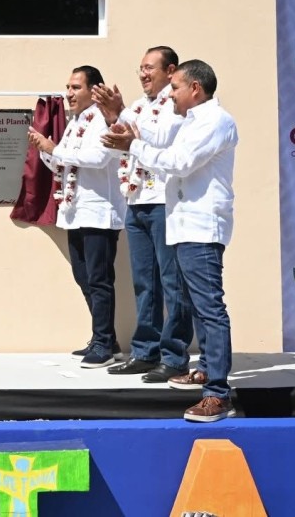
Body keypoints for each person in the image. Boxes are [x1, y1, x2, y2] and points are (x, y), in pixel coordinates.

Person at [101, 59, 238, 422]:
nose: (171, 94)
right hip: (184, 226)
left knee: (209, 308)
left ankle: (218, 394)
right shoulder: (192, 120)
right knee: (196, 304)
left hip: (201, 226)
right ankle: (206, 371)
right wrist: (127, 131)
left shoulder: (215, 120)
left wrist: (134, 145)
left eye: (175, 87)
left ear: (195, 88)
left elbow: (179, 162)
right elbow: (162, 147)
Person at [94, 47, 195, 383]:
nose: (142, 74)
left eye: (149, 68)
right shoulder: (139, 106)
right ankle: (145, 351)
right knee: (144, 282)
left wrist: (122, 114)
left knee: (172, 282)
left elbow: (162, 139)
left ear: (170, 70)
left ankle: (175, 357)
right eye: (140, 68)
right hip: (136, 200)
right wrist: (112, 121)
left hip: (165, 201)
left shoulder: (177, 104)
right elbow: (117, 148)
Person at [28, 65, 127, 368]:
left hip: (98, 212)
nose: (69, 93)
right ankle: (105, 340)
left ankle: (104, 345)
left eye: (75, 87)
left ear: (94, 90)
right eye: (68, 87)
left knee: (99, 280)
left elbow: (99, 158)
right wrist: (46, 151)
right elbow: (64, 164)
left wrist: (54, 149)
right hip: (75, 212)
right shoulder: (76, 122)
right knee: (84, 278)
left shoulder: (104, 119)